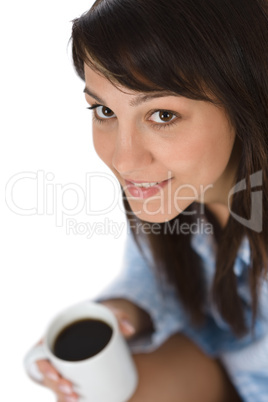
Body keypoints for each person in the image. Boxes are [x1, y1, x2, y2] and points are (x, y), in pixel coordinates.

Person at [24, 0, 268, 401]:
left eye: (163, 116)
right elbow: (155, 275)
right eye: (104, 110)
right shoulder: (183, 194)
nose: (125, 159)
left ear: (246, 98)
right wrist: (124, 311)